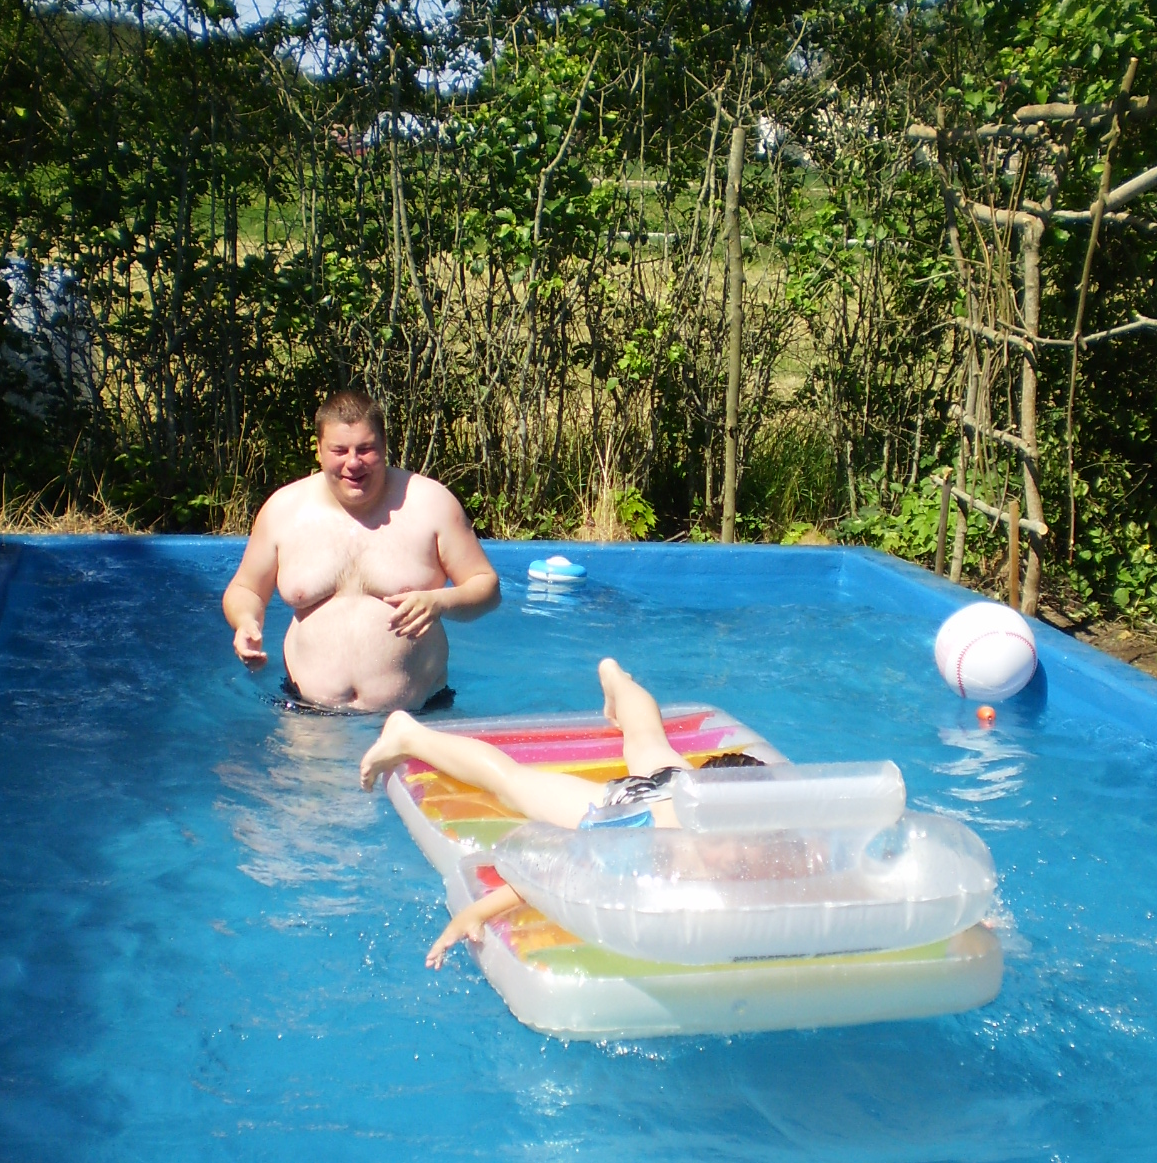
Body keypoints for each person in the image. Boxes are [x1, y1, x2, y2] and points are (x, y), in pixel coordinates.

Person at [359, 657, 757, 967]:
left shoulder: (756, 828)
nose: (735, 853)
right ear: (700, 824)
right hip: (634, 803)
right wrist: (478, 911)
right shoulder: (656, 844)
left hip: (679, 785)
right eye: (721, 841)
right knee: (513, 782)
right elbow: (563, 867)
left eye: (746, 840)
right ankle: (408, 734)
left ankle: (615, 678)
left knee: (648, 739)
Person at [222, 391, 500, 712]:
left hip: (418, 716)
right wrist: (246, 622)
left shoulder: (431, 503)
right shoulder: (283, 510)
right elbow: (246, 589)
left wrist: (440, 602)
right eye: (339, 450)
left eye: (365, 449)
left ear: (384, 446)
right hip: (307, 713)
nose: (353, 463)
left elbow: (487, 587)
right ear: (319, 450)